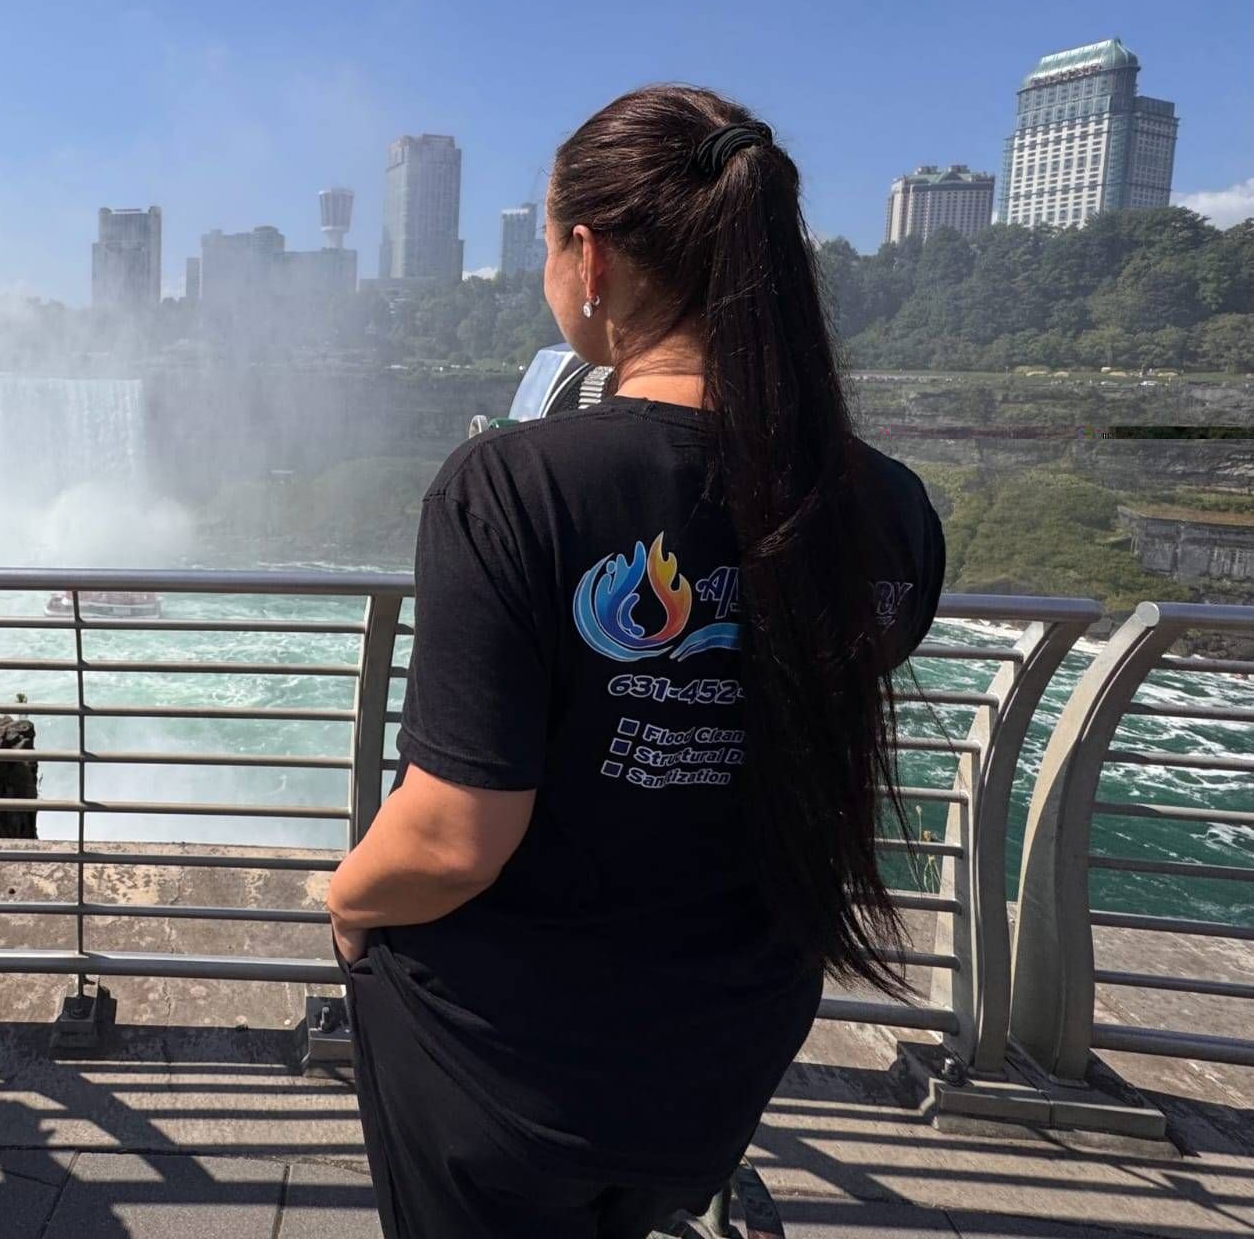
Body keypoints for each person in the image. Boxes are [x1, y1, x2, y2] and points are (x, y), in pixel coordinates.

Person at [326, 84, 946, 1238]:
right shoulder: (895, 508)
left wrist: (348, 904)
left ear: (589, 255)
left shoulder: (513, 486)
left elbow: (454, 836)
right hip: (727, 1046)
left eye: (551, 247)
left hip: (509, 1056)